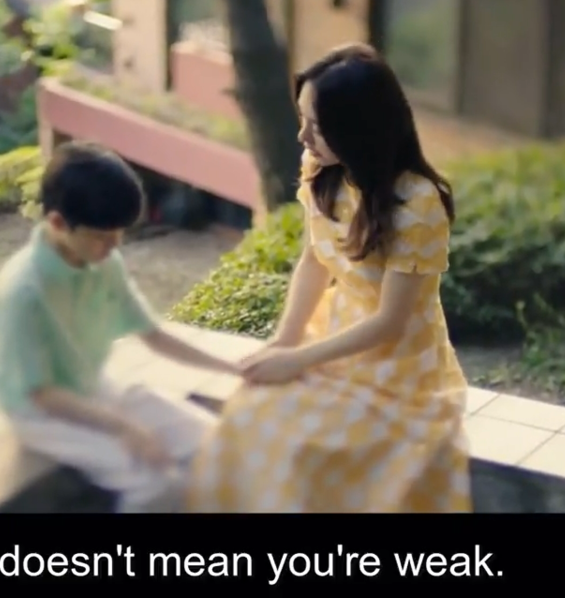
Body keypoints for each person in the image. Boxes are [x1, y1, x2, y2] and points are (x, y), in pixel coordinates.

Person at [188, 43, 472, 513]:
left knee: (305, 446)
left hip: (398, 366)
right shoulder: (323, 170)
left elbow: (391, 322)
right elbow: (314, 260)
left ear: (358, 129)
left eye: (316, 127)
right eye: (303, 120)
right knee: (248, 413)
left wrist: (298, 360)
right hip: (335, 331)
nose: (302, 137)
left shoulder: (418, 203)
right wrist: (285, 341)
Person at [0, 141, 237, 513]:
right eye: (102, 236)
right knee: (155, 482)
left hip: (93, 387)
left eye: (119, 233)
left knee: (214, 441)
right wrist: (125, 427)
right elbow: (43, 395)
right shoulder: (23, 291)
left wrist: (233, 368)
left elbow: (152, 334)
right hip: (41, 413)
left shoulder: (105, 263)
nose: (114, 245)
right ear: (57, 224)